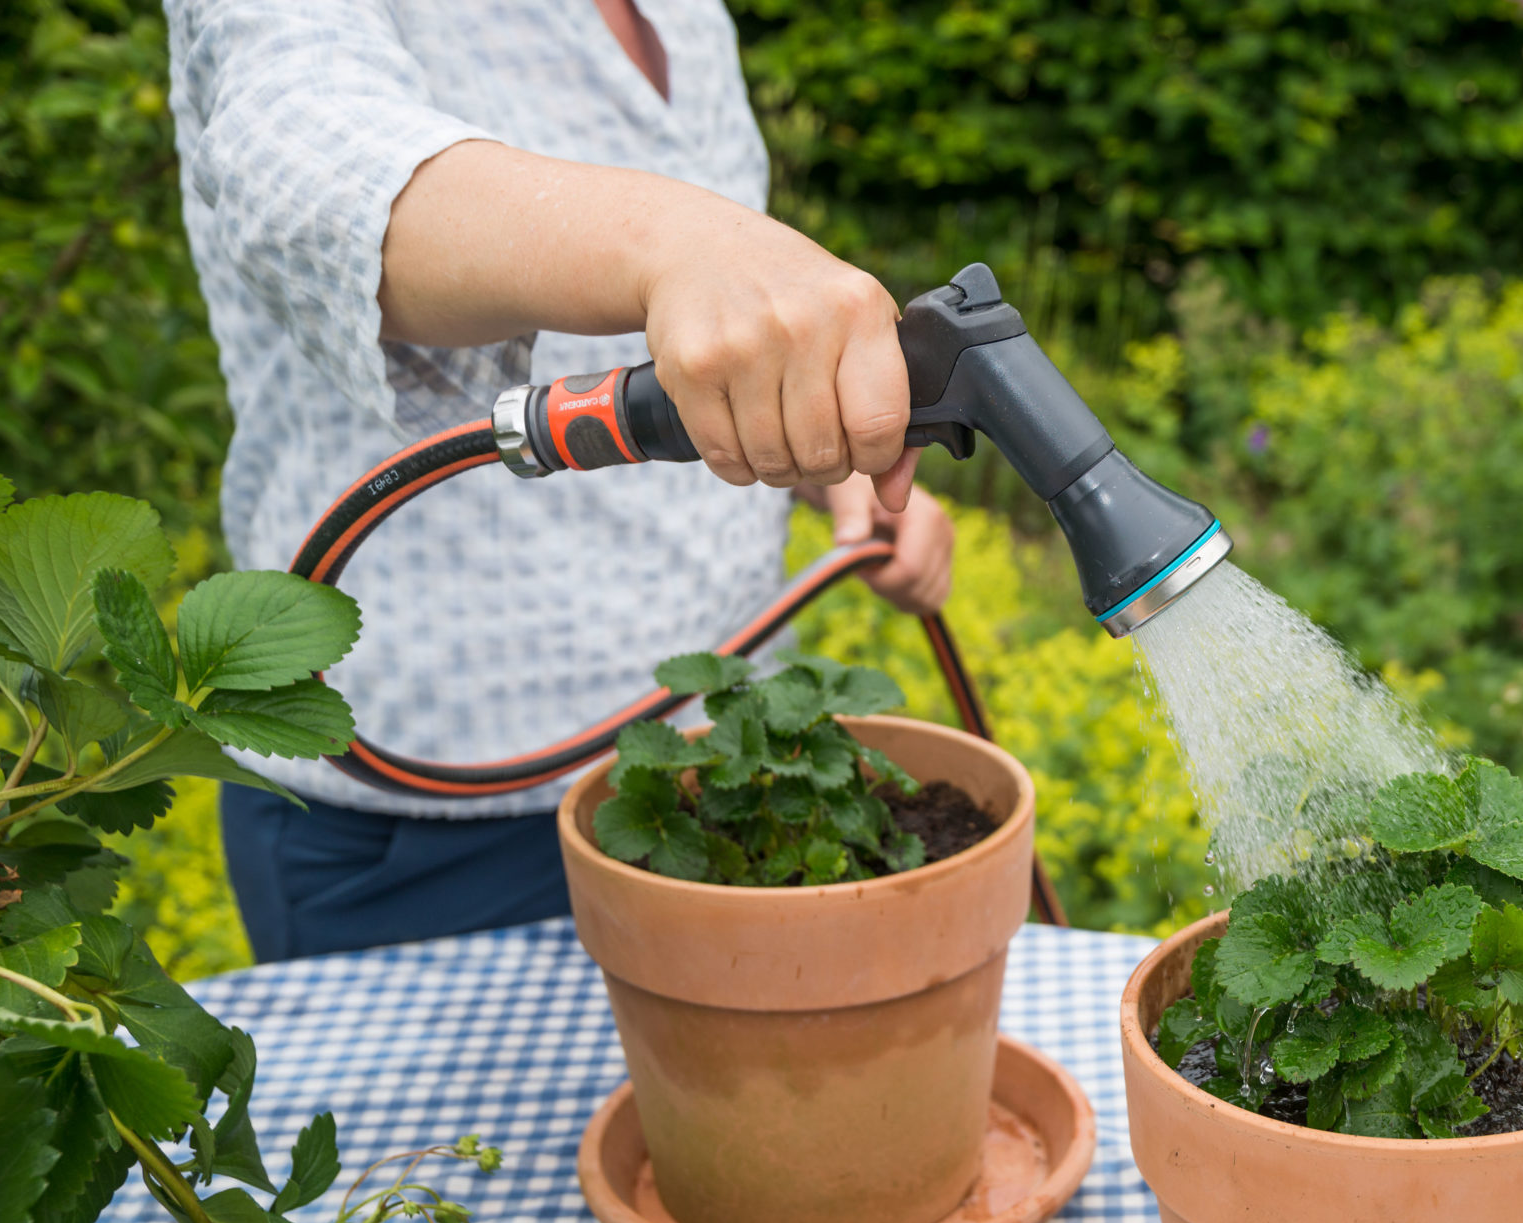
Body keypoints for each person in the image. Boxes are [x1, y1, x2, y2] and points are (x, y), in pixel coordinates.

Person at [165, 0, 954, 961]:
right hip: (427, 837)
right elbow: (310, 166)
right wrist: (674, 241)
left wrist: (827, 466)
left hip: (729, 766)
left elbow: (701, 344)